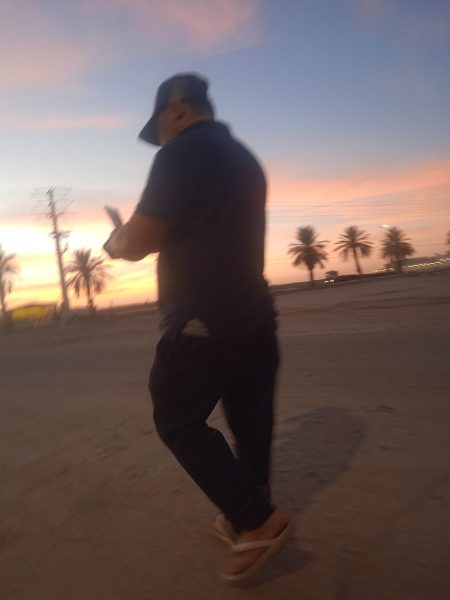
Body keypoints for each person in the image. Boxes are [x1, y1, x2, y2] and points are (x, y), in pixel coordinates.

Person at [103, 73, 292, 583]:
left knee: (176, 419)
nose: (161, 138)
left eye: (160, 126)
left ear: (178, 109)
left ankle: (257, 519)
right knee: (251, 420)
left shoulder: (181, 153)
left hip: (203, 317)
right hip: (255, 312)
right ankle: (248, 512)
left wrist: (117, 241)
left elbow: (140, 239)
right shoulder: (245, 159)